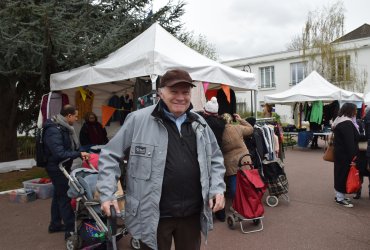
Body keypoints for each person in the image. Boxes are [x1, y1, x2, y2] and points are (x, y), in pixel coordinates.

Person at [96, 69, 226, 250]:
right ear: (161, 93)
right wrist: (107, 193)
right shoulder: (138, 120)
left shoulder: (200, 123)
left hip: (191, 214)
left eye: (185, 92)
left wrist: (217, 188)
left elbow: (216, 159)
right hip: (152, 216)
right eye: (174, 91)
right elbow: (110, 155)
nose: (181, 97)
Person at [43, 105, 89, 239]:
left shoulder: (64, 128)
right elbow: (59, 153)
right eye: (75, 116)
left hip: (61, 166)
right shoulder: (54, 130)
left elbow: (69, 148)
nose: (76, 118)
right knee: (64, 197)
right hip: (56, 167)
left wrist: (79, 152)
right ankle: (70, 231)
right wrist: (78, 154)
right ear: (68, 116)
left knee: (58, 195)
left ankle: (55, 225)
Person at [198, 97, 227, 222]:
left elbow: (199, 114)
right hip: (218, 153)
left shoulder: (204, 122)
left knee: (206, 182)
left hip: (206, 154)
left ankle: (207, 211)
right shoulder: (222, 123)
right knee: (218, 184)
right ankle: (221, 214)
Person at [332, 103, 359, 208]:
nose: (356, 112)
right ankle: (340, 198)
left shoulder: (339, 120)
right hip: (345, 155)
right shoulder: (347, 123)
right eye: (355, 110)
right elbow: (350, 143)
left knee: (339, 174)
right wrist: (354, 157)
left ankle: (339, 196)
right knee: (342, 175)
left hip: (340, 153)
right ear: (350, 110)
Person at [221, 113, 254, 199]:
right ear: (231, 120)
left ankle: (236, 205)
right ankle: (248, 201)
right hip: (244, 158)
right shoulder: (237, 127)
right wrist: (240, 120)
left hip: (230, 161)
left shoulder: (219, 132)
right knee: (247, 180)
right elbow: (251, 129)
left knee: (233, 182)